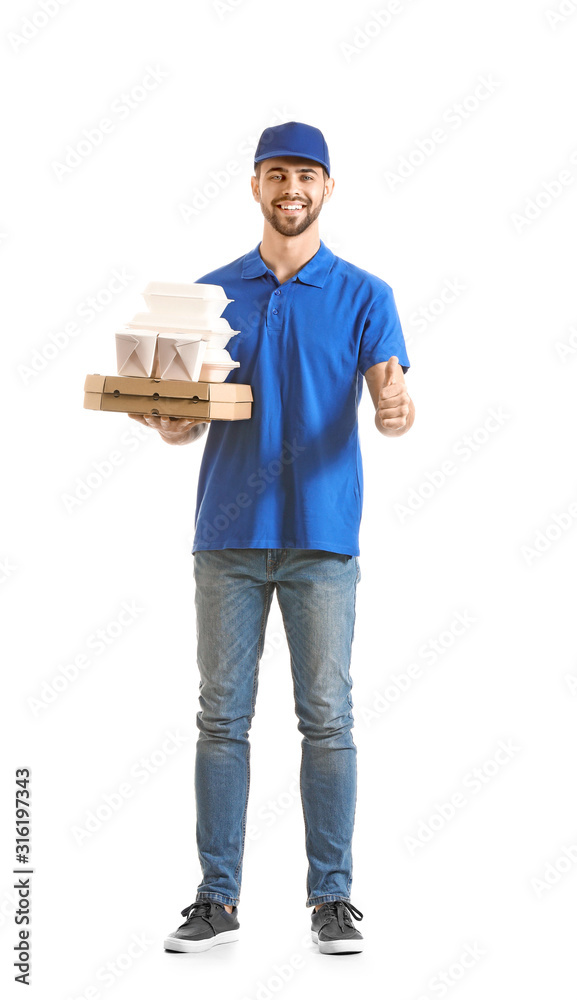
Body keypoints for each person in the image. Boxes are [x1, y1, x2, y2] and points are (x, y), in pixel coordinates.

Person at [129, 121, 415, 955]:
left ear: (329, 189)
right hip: (226, 537)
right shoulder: (209, 296)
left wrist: (396, 411)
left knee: (326, 718)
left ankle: (331, 898)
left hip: (324, 539)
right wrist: (162, 421)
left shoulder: (367, 294)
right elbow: (183, 427)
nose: (292, 189)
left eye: (307, 176)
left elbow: (392, 403)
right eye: (277, 174)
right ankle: (216, 901)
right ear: (255, 186)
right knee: (222, 719)